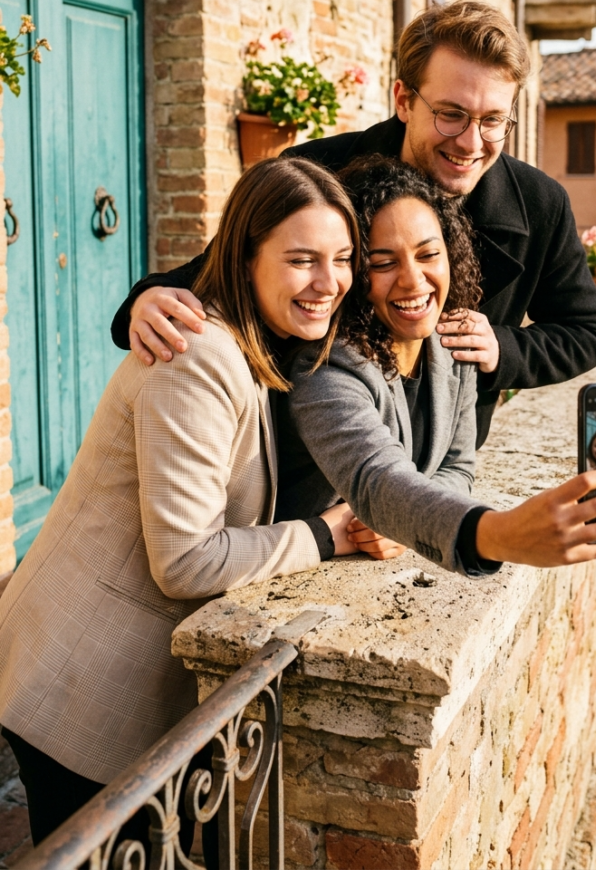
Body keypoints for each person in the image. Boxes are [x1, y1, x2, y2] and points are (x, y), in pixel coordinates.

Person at [0, 158, 375, 851]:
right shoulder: (196, 353)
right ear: (245, 254)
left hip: (107, 675)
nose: (329, 282)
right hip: (79, 679)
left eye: (343, 258)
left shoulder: (255, 338)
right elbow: (186, 558)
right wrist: (327, 535)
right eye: (301, 259)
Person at [110, 0, 596, 449]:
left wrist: (503, 347)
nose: (471, 142)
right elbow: (221, 273)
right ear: (403, 99)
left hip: (441, 460)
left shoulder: (542, 203)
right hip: (306, 463)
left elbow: (587, 332)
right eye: (451, 114)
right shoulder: (314, 171)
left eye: (493, 120)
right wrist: (147, 300)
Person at [280, 156, 596, 575]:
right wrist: (501, 534)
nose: (414, 281)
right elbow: (378, 481)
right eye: (383, 263)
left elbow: (458, 467)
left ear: (453, 253)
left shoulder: (450, 342)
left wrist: (402, 522)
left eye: (429, 254)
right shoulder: (326, 369)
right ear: (354, 270)